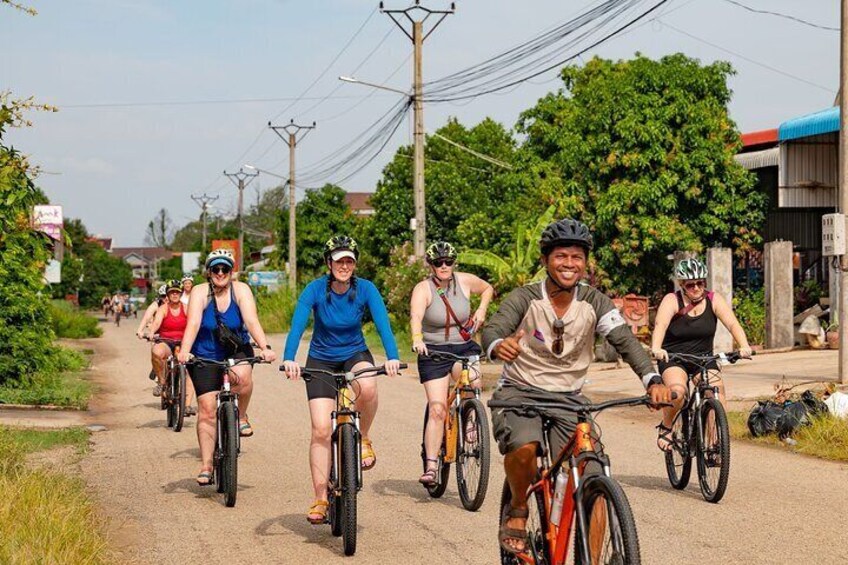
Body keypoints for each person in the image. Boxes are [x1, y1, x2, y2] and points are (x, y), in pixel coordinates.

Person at [482, 218, 670, 554]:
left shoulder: (594, 302)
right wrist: (498, 345)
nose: (569, 264)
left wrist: (652, 378)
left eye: (577, 257)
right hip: (520, 392)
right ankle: (518, 510)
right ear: (545, 260)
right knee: (524, 448)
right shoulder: (525, 298)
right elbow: (494, 329)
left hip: (570, 399)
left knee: (594, 479)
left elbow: (625, 341)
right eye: (561, 256)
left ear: (585, 263)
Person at [281, 235, 401, 525]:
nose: (344, 265)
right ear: (328, 263)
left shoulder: (366, 289)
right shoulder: (314, 290)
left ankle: (364, 438)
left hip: (354, 353)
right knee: (321, 429)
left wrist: (393, 356)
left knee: (369, 385)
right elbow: (298, 324)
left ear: (355, 263)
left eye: (349, 260)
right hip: (320, 358)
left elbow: (383, 324)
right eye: (338, 260)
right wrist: (288, 358)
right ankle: (321, 497)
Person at [177, 249, 277, 485]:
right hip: (205, 352)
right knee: (207, 407)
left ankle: (241, 416)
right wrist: (184, 351)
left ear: (232, 272)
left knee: (243, 377)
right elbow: (192, 324)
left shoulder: (241, 290)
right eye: (215, 269)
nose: (220, 273)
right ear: (208, 272)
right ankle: (206, 465)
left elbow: (251, 320)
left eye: (225, 269)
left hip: (236, 348)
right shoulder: (200, 292)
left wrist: (265, 346)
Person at [410, 241, 494, 485]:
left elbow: (488, 288)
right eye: (438, 262)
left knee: (473, 380)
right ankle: (431, 466)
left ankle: (469, 420)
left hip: (462, 347)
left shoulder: (465, 281)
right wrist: (417, 339)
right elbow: (416, 316)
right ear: (431, 265)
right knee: (437, 409)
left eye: (448, 261)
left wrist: (481, 310)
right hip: (433, 350)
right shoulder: (423, 289)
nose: (444, 266)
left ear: (453, 262)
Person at [650, 257, 752, 451]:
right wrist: (657, 348)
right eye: (691, 285)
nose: (696, 288)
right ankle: (667, 426)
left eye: (700, 283)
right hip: (674, 359)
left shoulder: (713, 299)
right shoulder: (672, 300)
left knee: (716, 390)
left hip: (704, 358)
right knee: (678, 392)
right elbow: (660, 325)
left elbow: (732, 324)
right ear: (682, 285)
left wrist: (744, 346)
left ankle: (713, 442)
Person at [146, 279, 197, 414]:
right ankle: (162, 383)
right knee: (156, 351)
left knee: (188, 369)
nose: (174, 295)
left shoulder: (186, 308)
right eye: (172, 292)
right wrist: (151, 332)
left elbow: (194, 323)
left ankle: (187, 405)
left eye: (177, 292)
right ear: (167, 295)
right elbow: (156, 323)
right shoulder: (163, 309)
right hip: (166, 341)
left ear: (181, 294)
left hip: (184, 342)